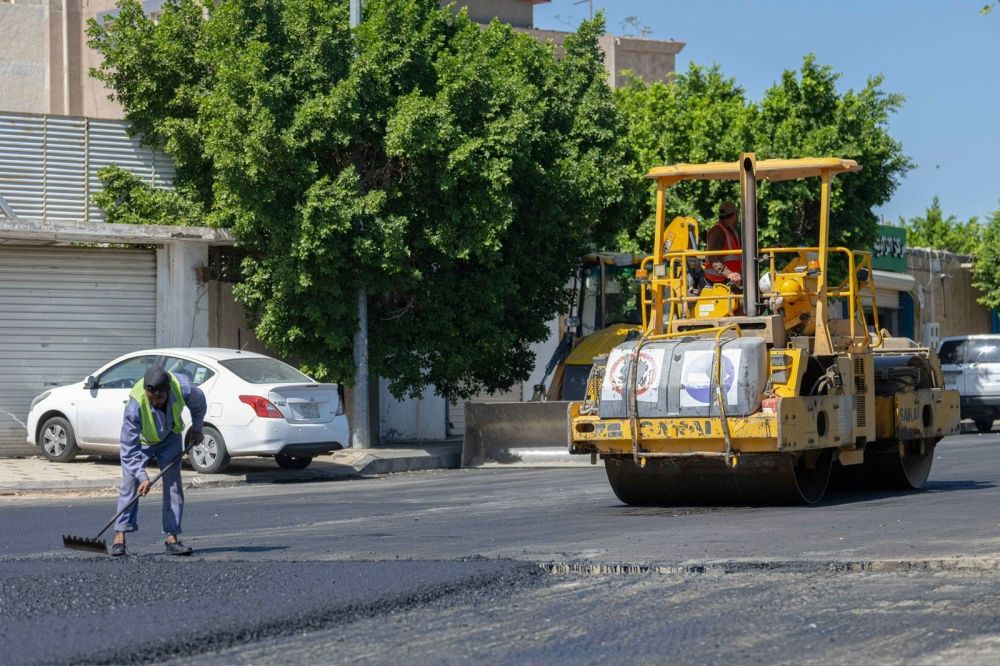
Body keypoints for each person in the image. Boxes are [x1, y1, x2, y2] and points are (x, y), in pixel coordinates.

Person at [110, 366, 207, 557]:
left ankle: (172, 537)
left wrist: (197, 429)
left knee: (173, 485)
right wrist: (142, 476)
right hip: (143, 442)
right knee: (130, 483)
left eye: (159, 398)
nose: (154, 402)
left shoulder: (184, 387)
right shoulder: (135, 405)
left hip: (169, 437)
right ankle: (119, 537)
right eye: (150, 398)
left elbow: (199, 404)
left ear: (168, 391)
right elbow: (128, 449)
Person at [703, 200, 743, 288]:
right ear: (733, 216)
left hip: (732, 280)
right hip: (716, 282)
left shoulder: (732, 232)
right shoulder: (717, 232)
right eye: (736, 215)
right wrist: (729, 274)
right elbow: (713, 258)